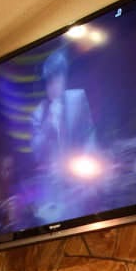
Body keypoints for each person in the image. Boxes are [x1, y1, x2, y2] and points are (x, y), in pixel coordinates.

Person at [29, 49, 96, 177]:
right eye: (50, 83)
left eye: (58, 81)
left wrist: (88, 161)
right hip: (53, 178)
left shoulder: (78, 98)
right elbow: (36, 153)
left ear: (64, 79)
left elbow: (89, 134)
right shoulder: (37, 114)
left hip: (81, 172)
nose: (54, 87)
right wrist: (47, 125)